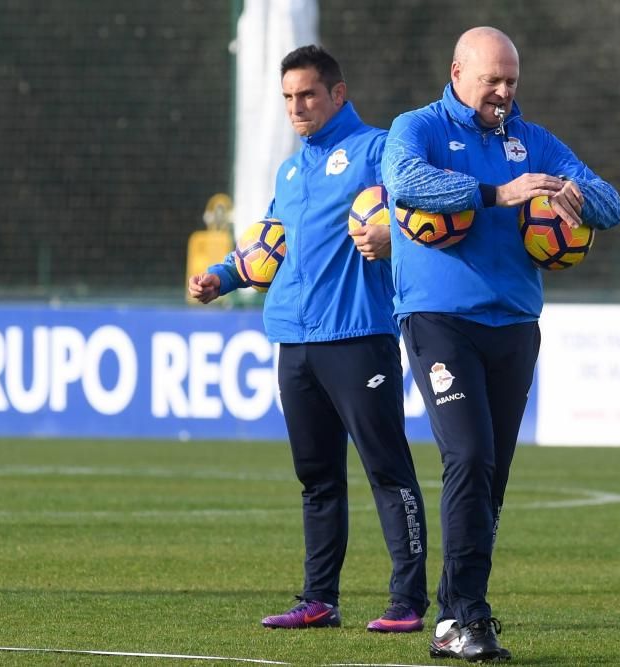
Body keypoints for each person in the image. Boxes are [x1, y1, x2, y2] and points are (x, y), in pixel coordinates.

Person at [381, 27, 620, 662]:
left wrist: (579, 197)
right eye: (493, 80)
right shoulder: (419, 128)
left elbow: (612, 203)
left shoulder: (532, 140)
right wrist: (496, 193)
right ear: (458, 71)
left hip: (514, 324)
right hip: (439, 320)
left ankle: (451, 616)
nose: (504, 92)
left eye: (512, 80)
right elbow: (406, 184)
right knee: (468, 455)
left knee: (492, 476)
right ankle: (468, 616)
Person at [188, 45, 428, 633]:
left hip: (359, 336)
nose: (297, 107)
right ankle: (318, 599)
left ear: (337, 94)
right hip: (294, 341)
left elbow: (428, 209)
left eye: (308, 95)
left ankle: (409, 602)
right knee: (316, 478)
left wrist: (392, 230)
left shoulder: (377, 150)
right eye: (289, 97)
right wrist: (220, 277)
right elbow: (271, 240)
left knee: (387, 469)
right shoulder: (291, 171)